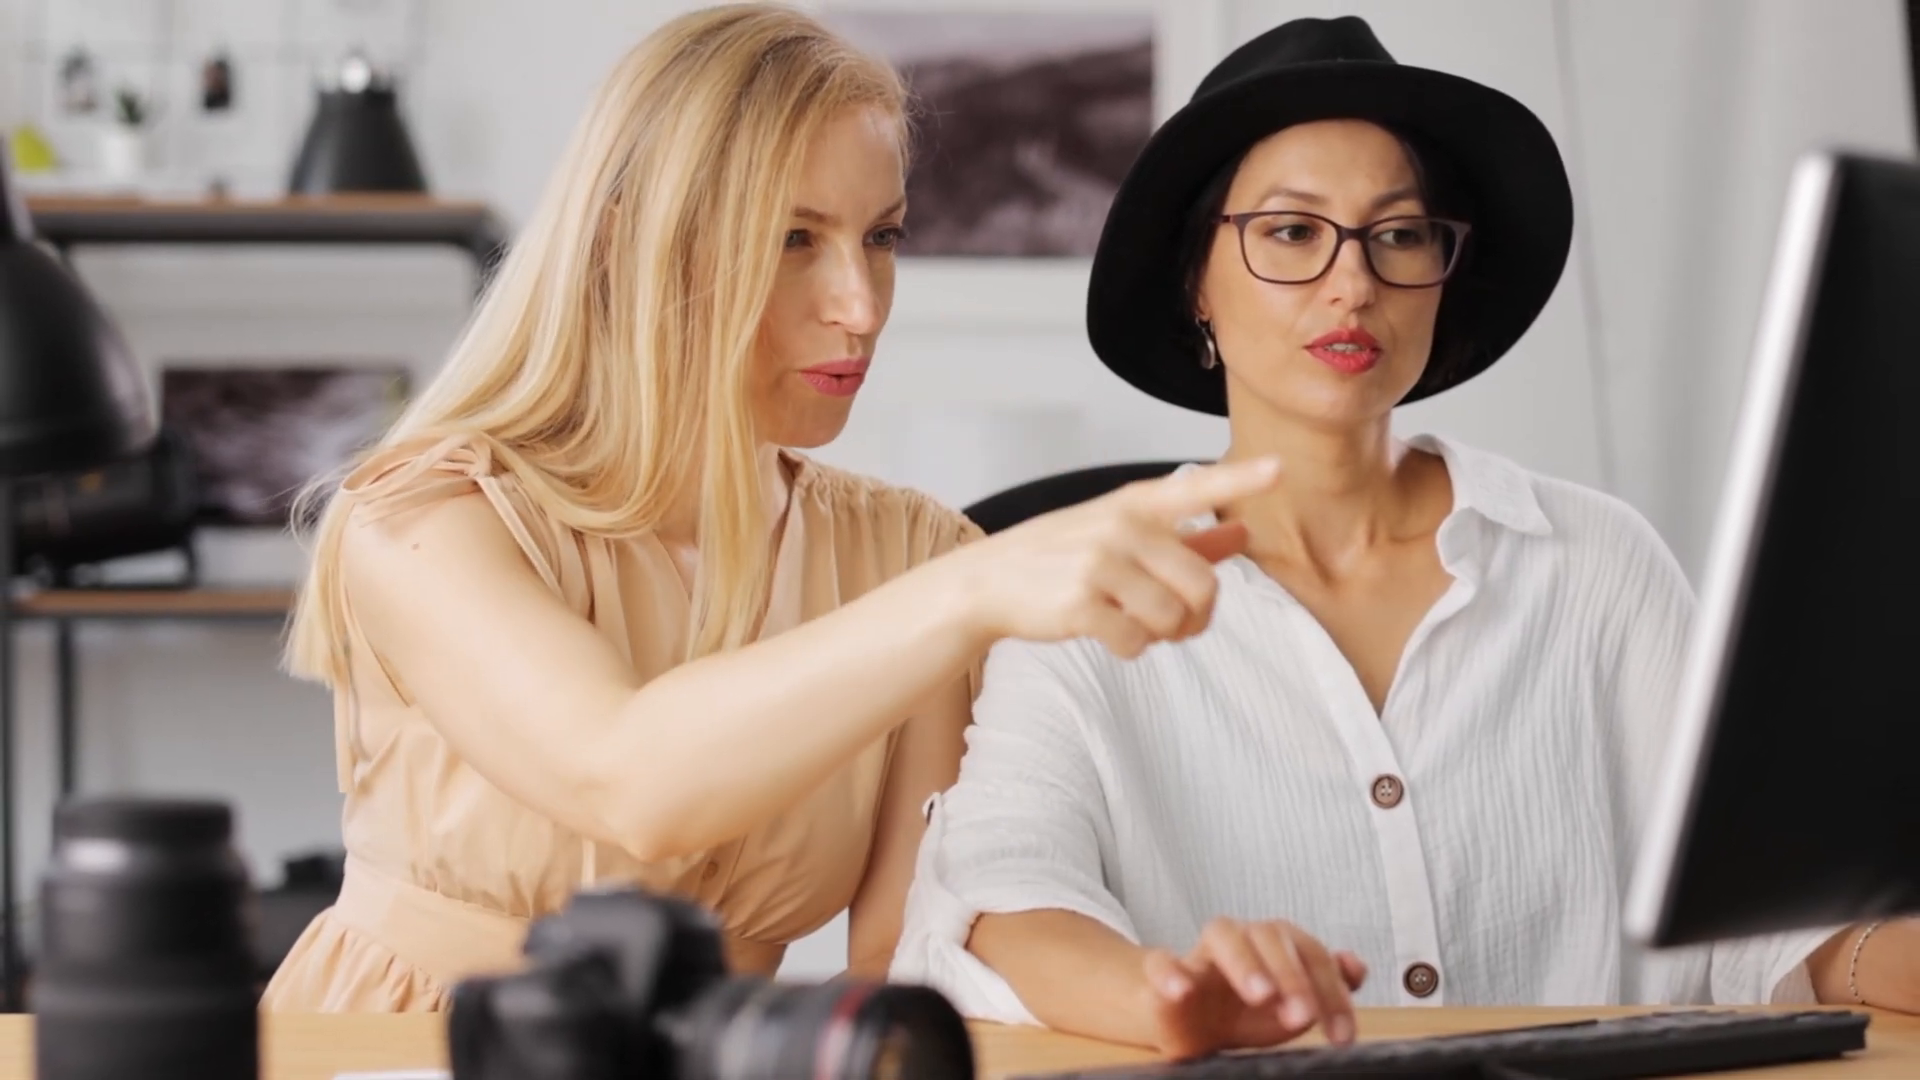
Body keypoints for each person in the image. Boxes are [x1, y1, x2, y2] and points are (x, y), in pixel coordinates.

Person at [889, 14, 1920, 1061]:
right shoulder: (1086, 594)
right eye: (1292, 231)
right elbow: (1002, 895)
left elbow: (1769, 922)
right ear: (1196, 281)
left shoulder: (1597, 563)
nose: (1354, 282)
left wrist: (1889, 943)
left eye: (1399, 233)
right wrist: (1172, 995)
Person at [260, 3, 1298, 1011]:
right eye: (794, 238)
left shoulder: (912, 556)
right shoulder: (428, 516)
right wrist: (974, 590)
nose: (861, 304)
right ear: (632, 241)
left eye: (881, 236)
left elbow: (899, 957)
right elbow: (631, 780)